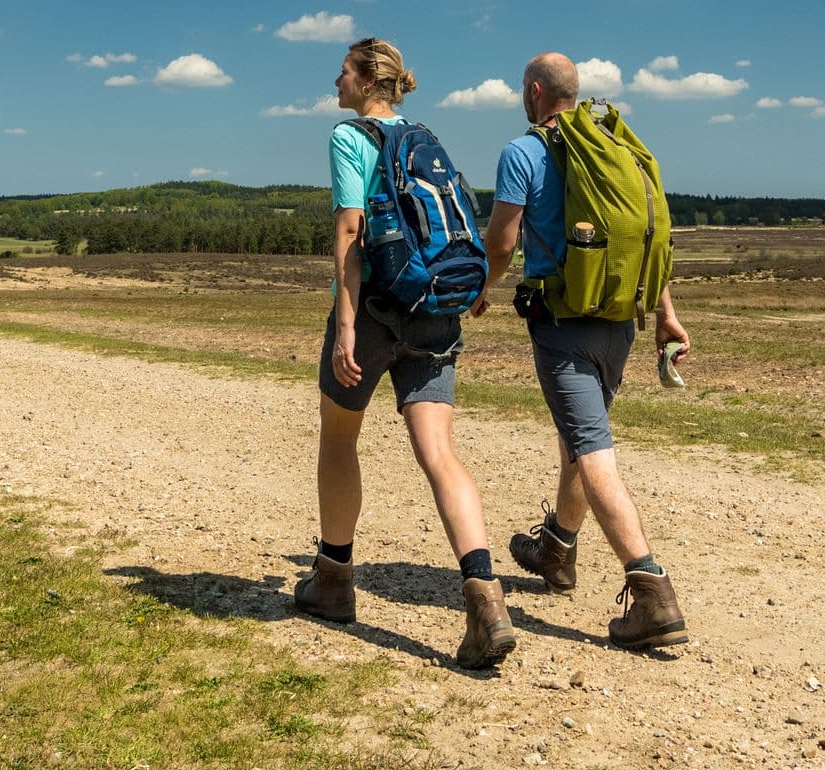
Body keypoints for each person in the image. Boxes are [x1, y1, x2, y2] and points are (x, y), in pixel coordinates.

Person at [291, 35, 516, 668]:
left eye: (342, 73)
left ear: (366, 83)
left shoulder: (349, 138)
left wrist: (343, 324)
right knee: (441, 453)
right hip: (434, 312)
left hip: (373, 312)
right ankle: (485, 600)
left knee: (339, 439)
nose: (334, 83)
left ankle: (334, 581)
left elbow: (349, 231)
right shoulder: (424, 137)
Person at [483, 51, 692, 650]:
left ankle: (650, 589)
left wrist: (479, 291)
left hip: (563, 321)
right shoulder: (613, 148)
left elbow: (501, 241)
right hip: (621, 319)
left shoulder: (523, 152)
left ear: (534, 91)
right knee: (581, 433)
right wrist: (665, 313)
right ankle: (557, 550)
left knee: (591, 448)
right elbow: (643, 244)